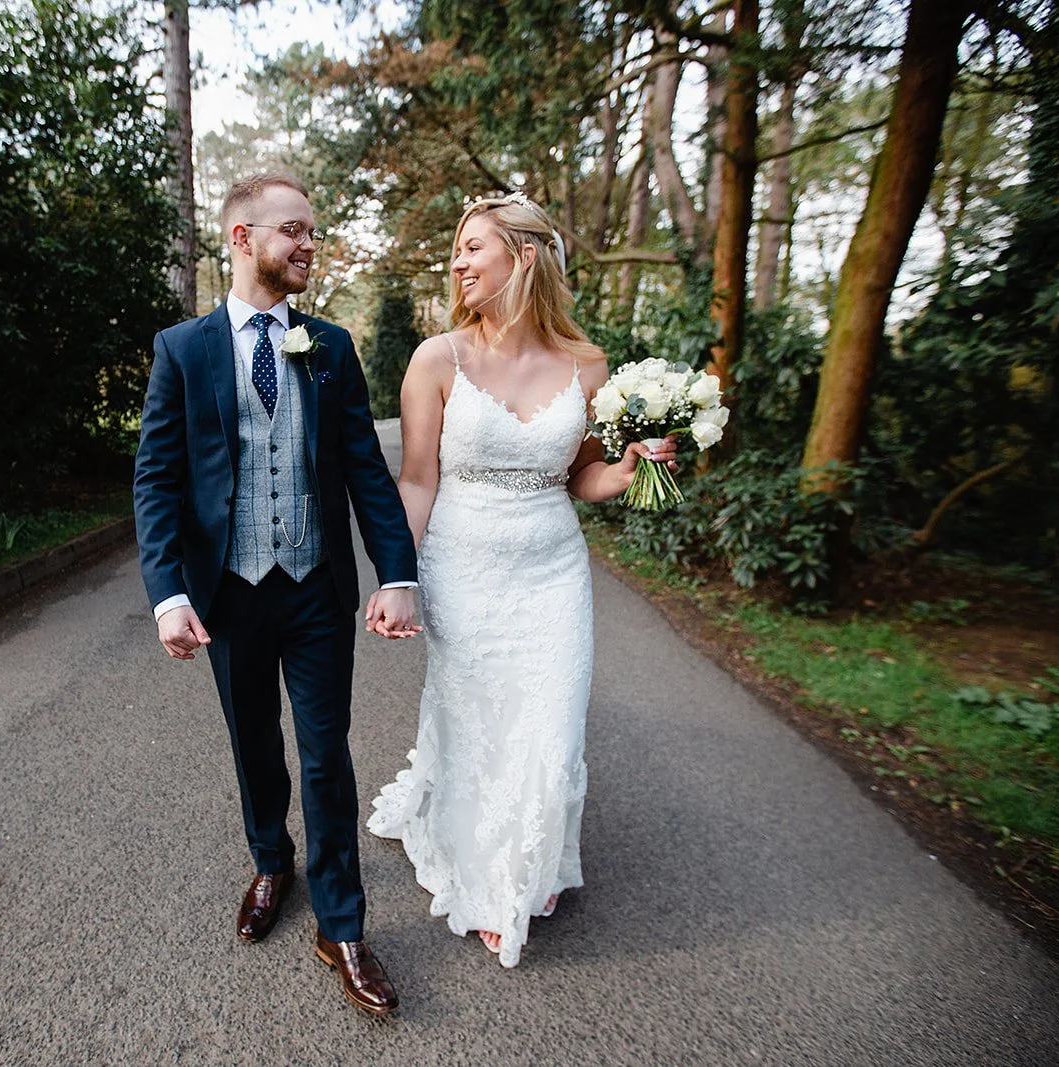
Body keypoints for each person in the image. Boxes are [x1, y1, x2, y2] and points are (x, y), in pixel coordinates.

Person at [133, 172, 422, 1015]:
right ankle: (271, 861)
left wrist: (395, 572)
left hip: (314, 587)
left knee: (326, 755)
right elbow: (156, 479)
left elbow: (366, 469)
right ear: (241, 238)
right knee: (255, 743)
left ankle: (342, 924)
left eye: (312, 233)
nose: (307, 246)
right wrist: (167, 593)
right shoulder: (181, 350)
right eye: (292, 230)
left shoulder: (329, 346)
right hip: (228, 593)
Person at [366, 193, 678, 968]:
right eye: (457, 252)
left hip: (552, 572)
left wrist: (633, 466)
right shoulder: (438, 358)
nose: (459, 263)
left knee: (550, 724)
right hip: (461, 566)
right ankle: (486, 878)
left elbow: (582, 477)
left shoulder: (589, 365)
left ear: (527, 254)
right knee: (479, 724)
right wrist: (396, 577)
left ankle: (526, 861)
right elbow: (414, 480)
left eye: (474, 247)